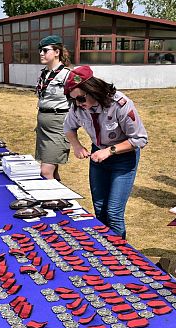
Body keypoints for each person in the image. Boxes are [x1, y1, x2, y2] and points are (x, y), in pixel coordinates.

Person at [63, 66, 148, 238]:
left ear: (92, 89)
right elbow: (68, 127)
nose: (79, 104)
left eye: (80, 98)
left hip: (123, 159)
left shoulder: (120, 104)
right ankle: (105, 253)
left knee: (114, 212)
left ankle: (121, 256)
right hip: (98, 157)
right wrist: (77, 146)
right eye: (74, 101)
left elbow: (140, 139)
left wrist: (109, 151)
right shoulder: (78, 107)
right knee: (100, 209)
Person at [34, 35, 72, 180]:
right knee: (53, 171)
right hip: (43, 125)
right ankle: (62, 199)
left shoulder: (68, 75)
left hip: (58, 126)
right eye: (40, 50)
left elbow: (80, 98)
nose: (41, 53)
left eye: (45, 50)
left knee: (46, 171)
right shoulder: (44, 73)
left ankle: (54, 200)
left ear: (57, 52)